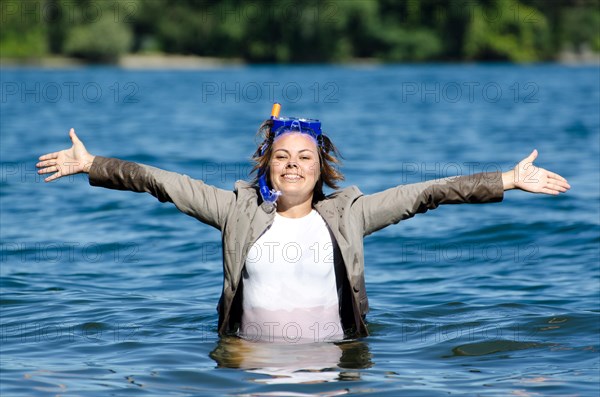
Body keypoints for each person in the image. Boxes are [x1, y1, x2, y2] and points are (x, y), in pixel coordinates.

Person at [37, 104, 570, 343]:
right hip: (246, 355)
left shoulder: (349, 215)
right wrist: (92, 165)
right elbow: (161, 181)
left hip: (335, 359)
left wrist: (506, 178)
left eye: (305, 157)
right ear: (268, 166)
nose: (293, 163)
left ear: (321, 170)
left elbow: (427, 193)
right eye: (282, 156)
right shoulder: (236, 211)